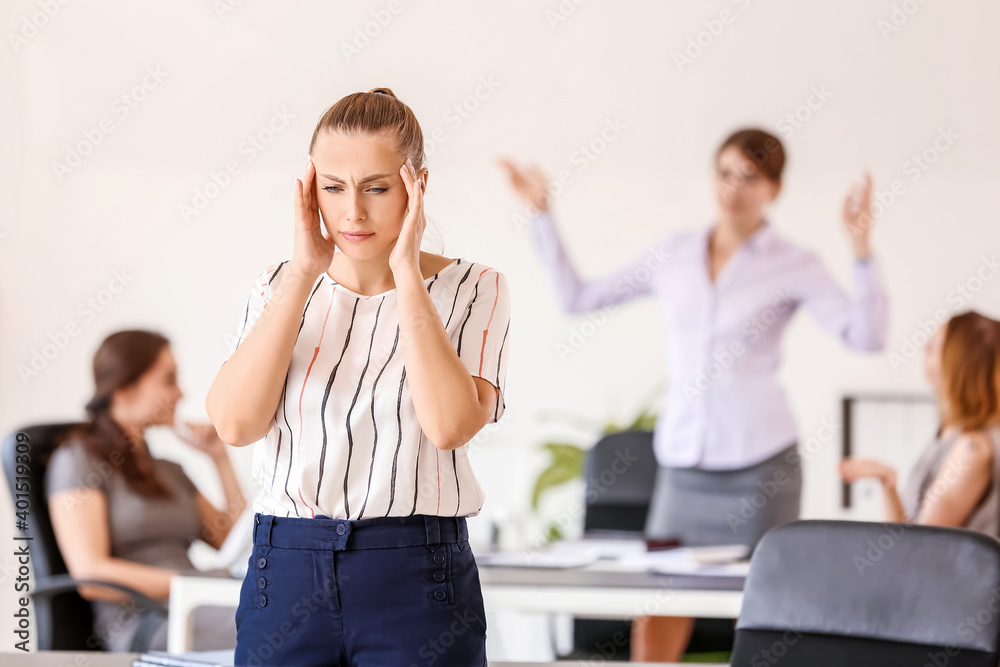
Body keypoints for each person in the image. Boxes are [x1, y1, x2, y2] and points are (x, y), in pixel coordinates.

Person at [499, 127, 888, 661]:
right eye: (725, 173)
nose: (733, 189)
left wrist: (861, 248)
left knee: (763, 612)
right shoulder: (675, 253)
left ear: (774, 189)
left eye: (750, 178)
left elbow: (865, 337)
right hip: (684, 468)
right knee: (658, 609)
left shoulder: (794, 262)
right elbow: (577, 297)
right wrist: (541, 212)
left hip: (760, 465)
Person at [205, 87, 510, 666]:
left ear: (416, 186)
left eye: (376, 188)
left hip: (417, 572)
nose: (353, 212)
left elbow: (448, 425)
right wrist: (302, 274)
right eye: (333, 188)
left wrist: (407, 275)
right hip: (285, 565)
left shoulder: (475, 288)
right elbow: (235, 423)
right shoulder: (280, 285)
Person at [45, 329, 247, 652]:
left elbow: (234, 543)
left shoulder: (169, 470)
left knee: (302, 622)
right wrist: (196, 586)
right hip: (150, 621)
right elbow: (90, 573)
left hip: (199, 604)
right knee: (279, 633)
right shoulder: (78, 460)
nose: (181, 394)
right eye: (169, 380)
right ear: (124, 388)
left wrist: (221, 460)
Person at [839, 310, 1000, 535]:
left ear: (957, 365)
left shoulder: (973, 448)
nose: (924, 351)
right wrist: (887, 481)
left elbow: (920, 547)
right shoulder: (948, 434)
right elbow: (906, 539)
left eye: (932, 348)